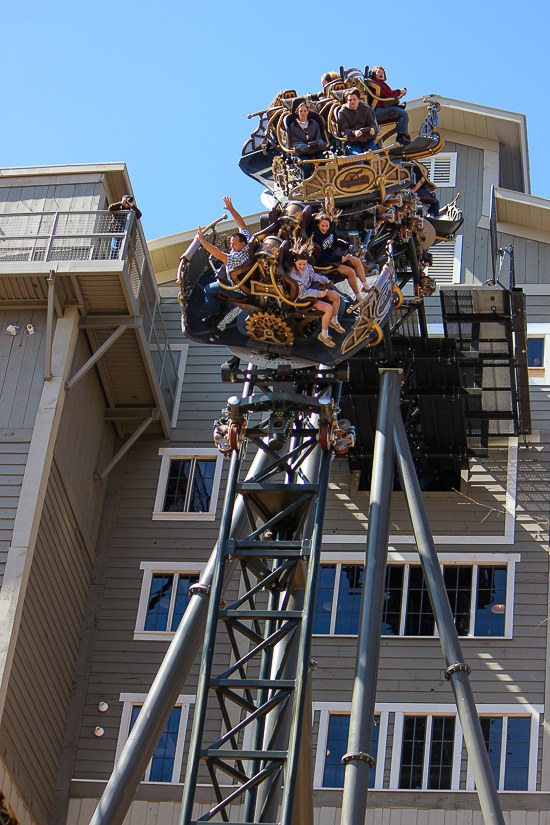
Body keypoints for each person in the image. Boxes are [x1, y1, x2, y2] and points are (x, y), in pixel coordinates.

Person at [197, 197, 253, 326]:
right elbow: (241, 225)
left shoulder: (236, 259)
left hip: (238, 290)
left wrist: (202, 241)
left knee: (208, 289)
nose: (231, 246)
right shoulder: (249, 243)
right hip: (245, 279)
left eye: (234, 244)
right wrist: (231, 209)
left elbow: (217, 253)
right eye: (231, 243)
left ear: (242, 243)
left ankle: (216, 314)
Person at [286, 249, 344, 348]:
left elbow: (312, 276)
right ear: (295, 261)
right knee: (328, 308)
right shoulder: (292, 275)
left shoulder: (306, 266)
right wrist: (318, 294)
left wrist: (325, 280)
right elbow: (302, 293)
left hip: (312, 289)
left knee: (336, 296)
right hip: (304, 298)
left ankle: (333, 321)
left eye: (304, 264)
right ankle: (324, 336)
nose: (302, 267)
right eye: (300, 264)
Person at [312, 211, 370, 302]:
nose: (325, 228)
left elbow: (335, 241)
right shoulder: (316, 239)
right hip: (327, 262)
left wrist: (346, 246)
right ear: (318, 224)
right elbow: (323, 257)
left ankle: (366, 287)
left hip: (334, 255)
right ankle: (359, 297)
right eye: (322, 226)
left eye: (326, 226)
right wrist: (339, 258)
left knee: (357, 261)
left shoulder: (330, 231)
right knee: (350, 272)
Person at [369, 66, 411, 146]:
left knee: (401, 110)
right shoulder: (378, 83)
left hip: (379, 109)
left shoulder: (380, 84)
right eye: (378, 72)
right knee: (403, 114)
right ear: (374, 74)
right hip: (378, 110)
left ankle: (403, 135)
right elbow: (388, 94)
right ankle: (401, 137)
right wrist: (400, 91)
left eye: (382, 72)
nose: (381, 73)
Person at [288, 100, 327, 178]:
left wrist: (318, 143)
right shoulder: (293, 126)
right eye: (301, 111)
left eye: (305, 111)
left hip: (315, 150)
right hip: (302, 152)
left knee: (323, 161)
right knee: (307, 164)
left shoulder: (314, 123)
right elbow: (295, 142)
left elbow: (319, 137)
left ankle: (324, 179)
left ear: (307, 112)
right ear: (297, 113)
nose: (303, 113)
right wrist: (305, 147)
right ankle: (306, 183)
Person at [337, 88, 378, 155]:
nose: (352, 101)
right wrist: (354, 132)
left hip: (366, 139)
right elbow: (344, 131)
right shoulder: (342, 112)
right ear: (347, 101)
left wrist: (372, 129)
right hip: (352, 141)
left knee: (375, 156)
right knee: (358, 159)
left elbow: (371, 123)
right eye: (350, 100)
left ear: (358, 99)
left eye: (354, 99)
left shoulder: (366, 108)